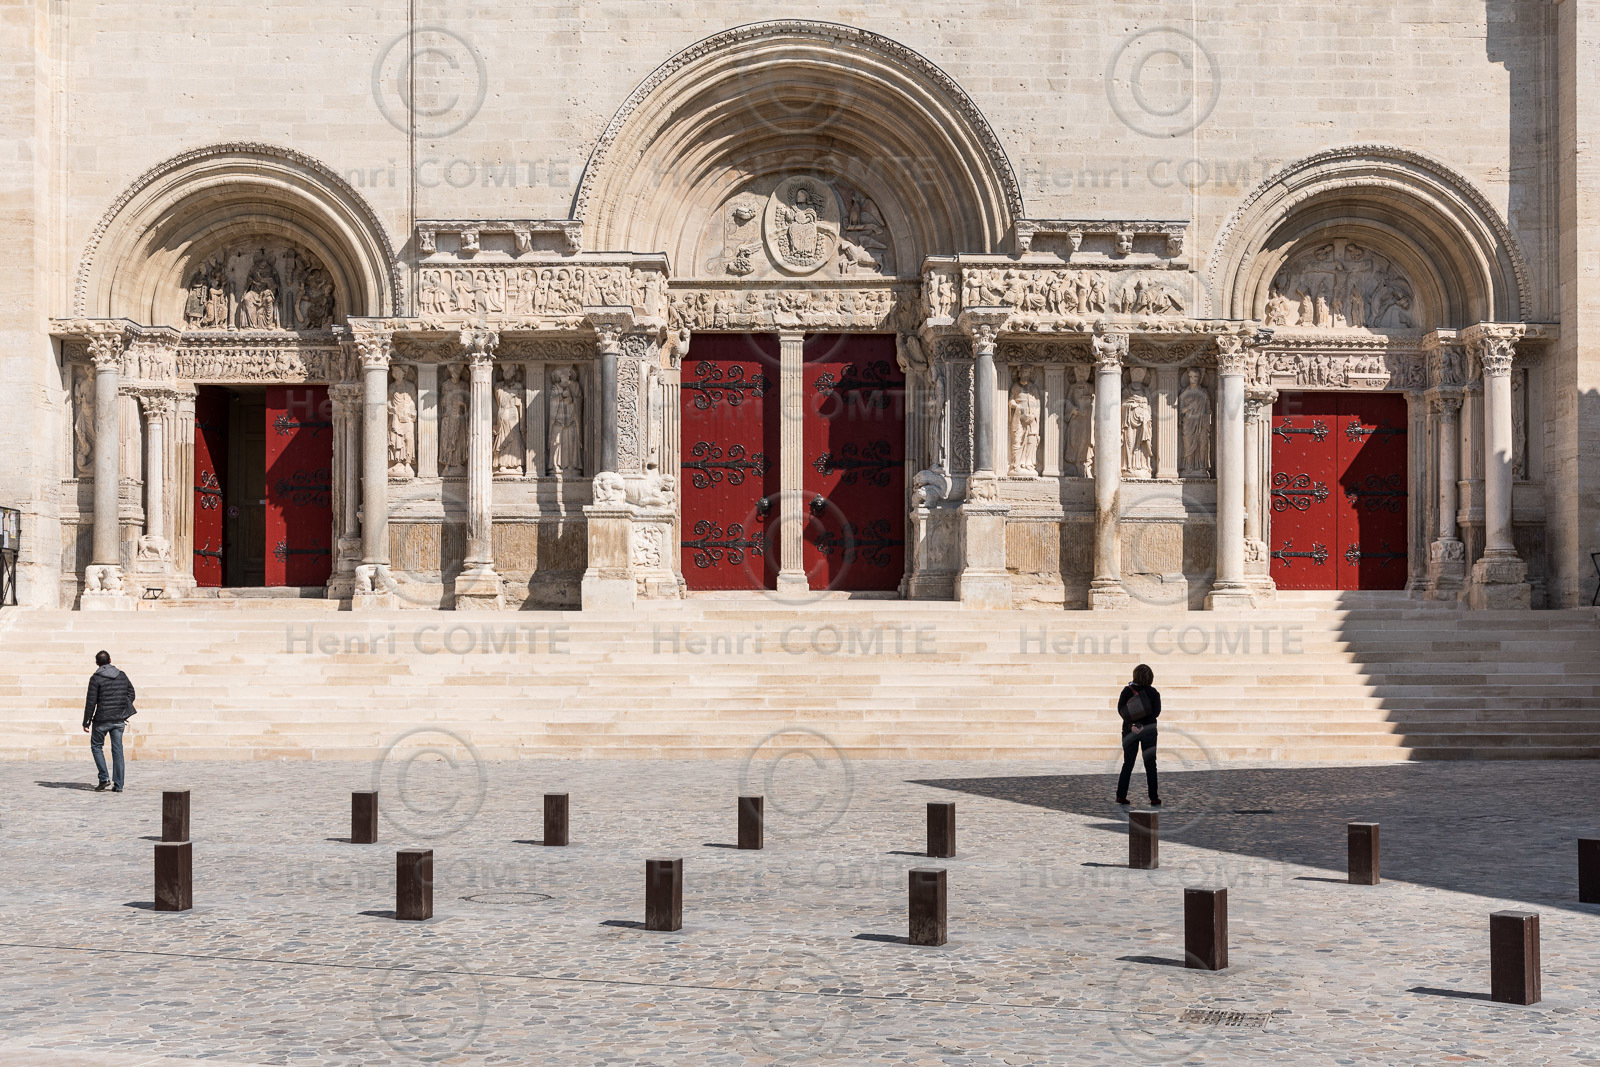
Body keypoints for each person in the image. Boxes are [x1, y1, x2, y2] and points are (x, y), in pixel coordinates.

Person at [83, 650, 135, 792]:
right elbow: (131, 693)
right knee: (118, 750)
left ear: (97, 663)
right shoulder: (122, 675)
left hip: (101, 719)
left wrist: (86, 721)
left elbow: (91, 702)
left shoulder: (95, 678)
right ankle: (118, 785)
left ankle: (104, 778)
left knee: (96, 746)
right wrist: (123, 708)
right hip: (118, 720)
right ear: (110, 660)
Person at [1115, 663, 1161, 806]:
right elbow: (1156, 712)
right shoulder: (1153, 693)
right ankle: (1153, 798)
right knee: (1150, 764)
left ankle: (1121, 796)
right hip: (1148, 731)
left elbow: (1121, 710)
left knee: (1128, 764)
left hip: (1130, 731)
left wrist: (1132, 724)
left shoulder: (1127, 691)